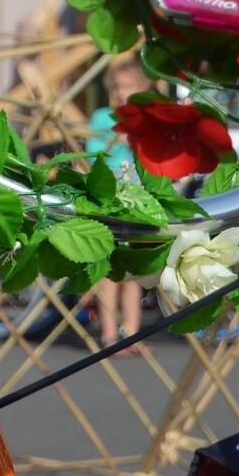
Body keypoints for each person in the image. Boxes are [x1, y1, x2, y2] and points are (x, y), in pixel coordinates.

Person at [89, 56, 150, 354]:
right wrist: (116, 138)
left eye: (127, 86)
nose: (121, 92)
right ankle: (110, 336)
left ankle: (132, 335)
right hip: (109, 198)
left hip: (137, 201)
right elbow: (92, 154)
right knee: (109, 269)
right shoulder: (103, 119)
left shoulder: (145, 120)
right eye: (117, 86)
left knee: (133, 272)